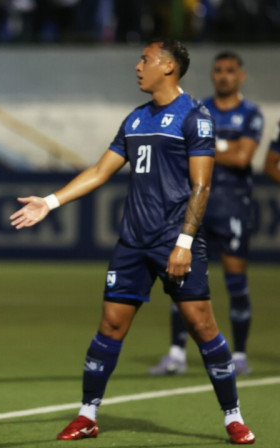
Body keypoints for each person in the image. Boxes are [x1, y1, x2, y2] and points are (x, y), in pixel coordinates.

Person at [9, 39, 256, 444]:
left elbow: (201, 186)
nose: (137, 66)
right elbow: (100, 170)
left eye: (145, 59)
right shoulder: (137, 119)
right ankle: (88, 414)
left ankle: (233, 416)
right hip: (132, 243)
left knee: (202, 326)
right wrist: (50, 203)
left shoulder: (195, 117)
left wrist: (183, 243)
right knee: (109, 326)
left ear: (169, 68)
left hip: (175, 241)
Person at [150, 51, 263, 377]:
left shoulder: (251, 114)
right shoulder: (199, 110)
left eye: (230, 71)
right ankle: (176, 354)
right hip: (195, 206)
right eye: (219, 71)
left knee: (236, 283)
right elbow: (185, 153)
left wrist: (210, 147)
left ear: (240, 76)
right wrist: (226, 147)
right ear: (213, 76)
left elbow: (244, 159)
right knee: (181, 280)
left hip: (232, 206)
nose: (224, 76)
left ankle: (239, 355)